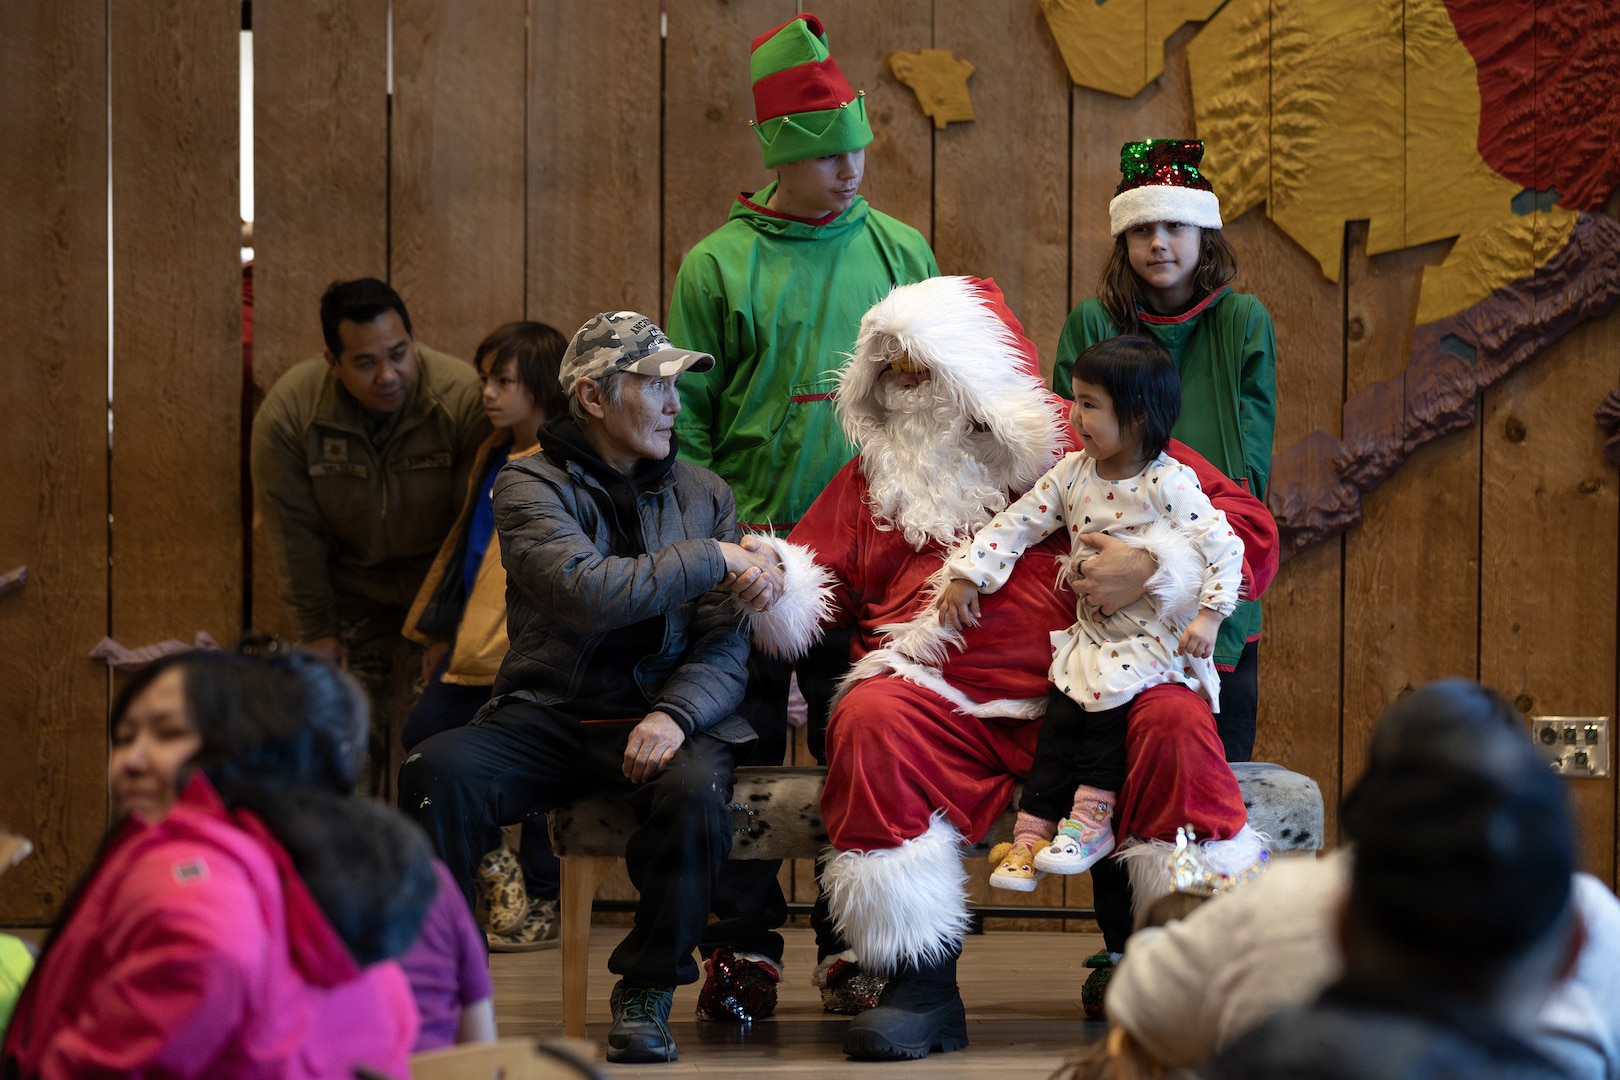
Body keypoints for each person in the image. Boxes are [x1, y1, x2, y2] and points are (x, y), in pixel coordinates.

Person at [745, 275, 1279, 1060]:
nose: (902, 385)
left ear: (977, 372)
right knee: (868, 717)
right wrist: (770, 573)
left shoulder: (1095, 446)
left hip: (1108, 684)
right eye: (887, 368)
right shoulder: (880, 476)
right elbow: (814, 581)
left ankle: (1189, 977)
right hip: (942, 700)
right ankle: (918, 987)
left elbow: (1248, 533)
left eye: (920, 366)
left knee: (1173, 722)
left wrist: (1153, 564)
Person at [397, 309, 783, 1065]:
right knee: (433, 773)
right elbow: (587, 593)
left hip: (660, 719)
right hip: (548, 713)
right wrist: (713, 555)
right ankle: (432, 985)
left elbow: (724, 641)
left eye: (677, 387)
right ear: (594, 396)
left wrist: (677, 713)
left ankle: (645, 991)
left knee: (698, 790)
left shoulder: (705, 492)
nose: (676, 403)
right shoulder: (525, 483)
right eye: (654, 384)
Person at [665, 11, 941, 1016]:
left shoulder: (903, 249)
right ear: (783, 157)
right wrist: (716, 543)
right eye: (828, 155)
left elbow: (940, 399)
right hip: (750, 552)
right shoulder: (717, 266)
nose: (851, 169)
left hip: (870, 556)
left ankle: (848, 941)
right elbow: (683, 419)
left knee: (853, 746)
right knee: (738, 747)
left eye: (858, 147)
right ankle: (738, 948)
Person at [1109, 679, 1620, 1080]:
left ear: (1342, 920)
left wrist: (1168, 921)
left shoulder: (1285, 898)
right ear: (1573, 945)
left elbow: (1137, 1002)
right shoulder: (1597, 916)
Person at [1050, 137, 1279, 1008]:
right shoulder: (1090, 324)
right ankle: (1124, 949)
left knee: (1210, 769)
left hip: (1206, 587)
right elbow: (1073, 450)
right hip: (1110, 601)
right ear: (1124, 240)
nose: (1160, 244)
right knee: (1108, 770)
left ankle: (1210, 952)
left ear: (1203, 235)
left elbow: (1249, 465)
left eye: (1178, 227)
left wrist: (1180, 556)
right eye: (1143, 228)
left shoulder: (1243, 321)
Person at [1, 651, 434, 1078]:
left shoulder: (193, 875)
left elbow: (209, 948)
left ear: (236, 747)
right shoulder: (287, 852)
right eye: (124, 737)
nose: (130, 762)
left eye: (168, 734)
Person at [936, 335, 1250, 888]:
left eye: (1089, 404)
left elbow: (1224, 546)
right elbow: (1021, 520)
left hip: (1151, 642)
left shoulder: (1168, 482)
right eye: (1075, 399)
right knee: (1061, 721)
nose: (1074, 415)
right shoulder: (1074, 473)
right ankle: (1032, 831)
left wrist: (1211, 616)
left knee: (1104, 719)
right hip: (1094, 638)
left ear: (1135, 416)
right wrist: (969, 572)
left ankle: (1092, 822)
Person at [251, 277, 490, 794]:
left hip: (437, 594)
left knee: (440, 752)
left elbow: (474, 528)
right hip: (350, 592)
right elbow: (292, 530)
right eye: (364, 363)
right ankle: (344, 863)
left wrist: (450, 625)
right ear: (332, 361)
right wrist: (316, 630)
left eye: (399, 354)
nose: (388, 375)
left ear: (413, 339)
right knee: (340, 746)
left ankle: (437, 870)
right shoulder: (292, 413)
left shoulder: (461, 397)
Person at [401, 320, 570, 951]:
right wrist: (442, 635)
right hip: (472, 640)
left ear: (543, 388)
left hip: (524, 645)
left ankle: (542, 898)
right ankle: (495, 868)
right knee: (425, 735)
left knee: (531, 771)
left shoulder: (557, 463)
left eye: (504, 381)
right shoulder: (492, 455)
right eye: (484, 380)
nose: (489, 394)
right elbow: (468, 558)